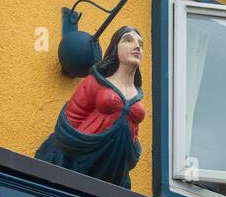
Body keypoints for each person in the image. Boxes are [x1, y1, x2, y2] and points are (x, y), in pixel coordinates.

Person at [36, 26, 145, 188]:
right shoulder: (95, 82)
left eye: (140, 44)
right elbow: (72, 119)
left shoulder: (138, 94)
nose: (136, 46)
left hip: (113, 167)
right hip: (83, 156)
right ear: (115, 49)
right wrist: (73, 146)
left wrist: (131, 149)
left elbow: (133, 132)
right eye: (128, 40)